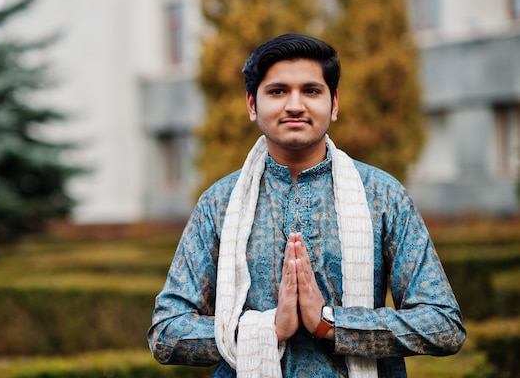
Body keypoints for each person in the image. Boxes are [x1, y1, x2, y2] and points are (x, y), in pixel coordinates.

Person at [148, 34, 465, 377]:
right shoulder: (219, 204)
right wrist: (267, 330)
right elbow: (166, 333)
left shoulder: (383, 195)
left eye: (311, 91)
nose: (295, 105)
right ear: (252, 105)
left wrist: (331, 324)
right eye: (278, 91)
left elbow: (443, 324)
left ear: (334, 103)